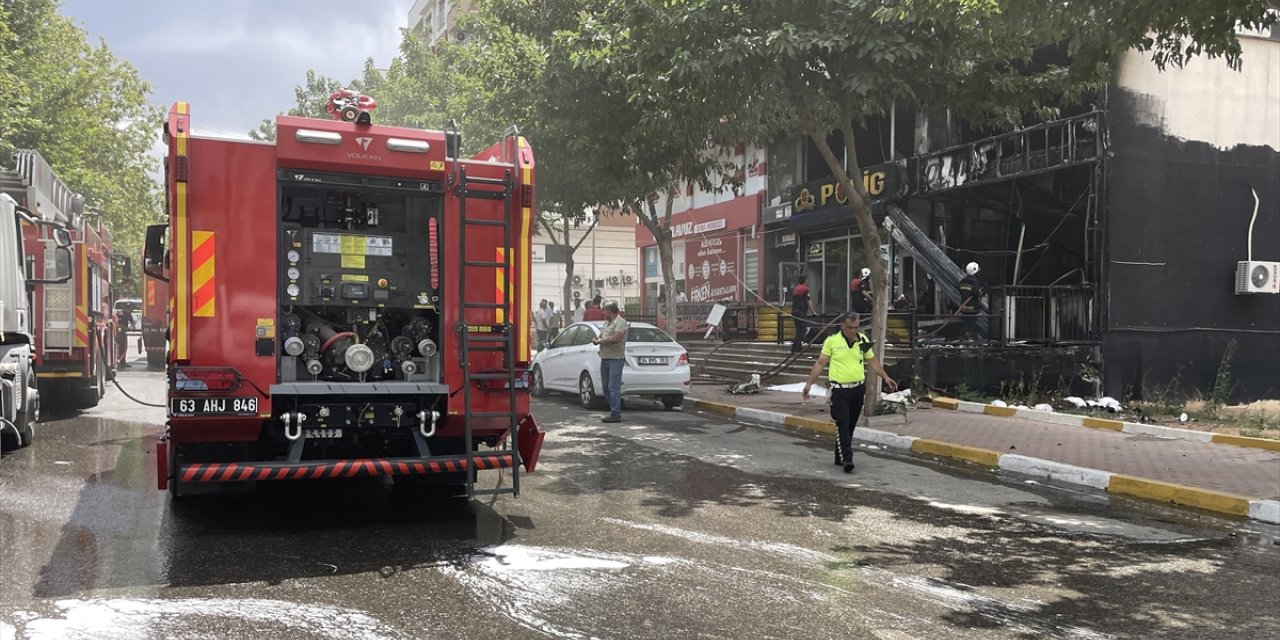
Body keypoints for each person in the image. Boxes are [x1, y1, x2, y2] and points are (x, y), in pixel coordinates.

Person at [802, 313, 897, 472]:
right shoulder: (832, 341)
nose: (853, 331)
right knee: (843, 423)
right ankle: (848, 458)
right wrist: (808, 384)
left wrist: (886, 377)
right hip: (839, 390)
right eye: (850, 328)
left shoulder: (863, 341)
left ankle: (839, 455)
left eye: (856, 327)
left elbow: (872, 361)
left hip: (858, 389)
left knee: (850, 425)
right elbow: (820, 363)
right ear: (842, 326)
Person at [592, 302, 629, 423]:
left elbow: (615, 339)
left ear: (610, 311)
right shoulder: (607, 322)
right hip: (605, 358)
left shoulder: (621, 323)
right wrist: (596, 339)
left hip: (615, 359)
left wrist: (600, 341)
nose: (603, 313)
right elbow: (601, 336)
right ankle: (615, 406)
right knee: (606, 388)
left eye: (605, 310)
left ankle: (615, 413)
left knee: (613, 387)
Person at [958, 262, 987, 341]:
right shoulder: (974, 281)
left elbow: (961, 291)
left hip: (964, 308)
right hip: (972, 308)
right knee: (971, 324)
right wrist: (982, 292)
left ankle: (963, 337)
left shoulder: (963, 281)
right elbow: (975, 294)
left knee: (965, 323)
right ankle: (968, 337)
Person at [791, 275, 816, 353]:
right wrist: (813, 312)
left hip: (794, 311)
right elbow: (808, 301)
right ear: (805, 281)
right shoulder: (804, 289)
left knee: (799, 329)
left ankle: (798, 347)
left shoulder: (796, 288)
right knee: (802, 329)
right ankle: (795, 347)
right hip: (801, 312)